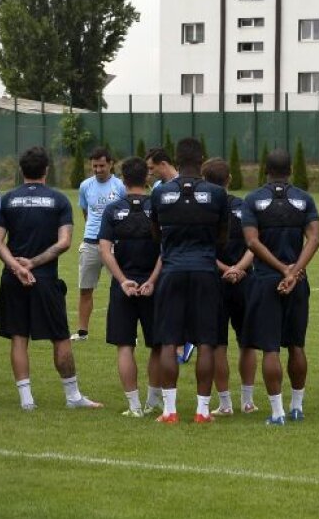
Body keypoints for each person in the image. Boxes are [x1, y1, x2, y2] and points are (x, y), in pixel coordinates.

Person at [0, 147, 101, 411]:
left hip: (14, 278)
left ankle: (26, 400)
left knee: (19, 337)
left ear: (21, 171)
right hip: (44, 279)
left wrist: (16, 267)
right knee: (60, 337)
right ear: (47, 170)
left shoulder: (7, 200)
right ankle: (73, 396)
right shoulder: (59, 200)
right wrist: (34, 263)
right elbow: (64, 242)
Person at [149, 137, 229, 424]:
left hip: (171, 270)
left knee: (169, 341)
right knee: (206, 341)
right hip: (206, 270)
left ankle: (170, 411)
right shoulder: (217, 194)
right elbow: (223, 235)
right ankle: (202, 411)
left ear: (176, 160)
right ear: (202, 158)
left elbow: (156, 233)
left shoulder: (160, 194)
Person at [240, 149, 319, 425]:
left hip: (265, 280)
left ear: (266, 169)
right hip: (297, 281)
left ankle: (277, 412)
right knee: (296, 345)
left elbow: (252, 242)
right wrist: (293, 271)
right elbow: (314, 238)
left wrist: (281, 269)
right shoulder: (304, 199)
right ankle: (297, 407)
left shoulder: (252, 200)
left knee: (270, 348)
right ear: (290, 170)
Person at [99, 157, 164, 417]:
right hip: (153, 285)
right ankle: (152, 400)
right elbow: (165, 250)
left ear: (122, 179)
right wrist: (152, 280)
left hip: (123, 286)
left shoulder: (113, 209)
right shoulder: (158, 207)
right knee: (157, 345)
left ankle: (134, 406)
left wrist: (122, 279)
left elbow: (104, 249)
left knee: (125, 345)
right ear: (146, 179)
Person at [201, 157, 258, 416]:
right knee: (247, 342)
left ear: (204, 180)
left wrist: (226, 270)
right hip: (246, 280)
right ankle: (247, 401)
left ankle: (225, 403)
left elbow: (201, 248)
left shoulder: (204, 210)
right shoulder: (244, 205)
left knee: (218, 346)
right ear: (230, 179)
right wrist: (240, 268)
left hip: (215, 281)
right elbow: (254, 245)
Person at [74, 147, 126, 341]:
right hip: (90, 242)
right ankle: (82, 332)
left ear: (110, 164)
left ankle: (125, 331)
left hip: (114, 243)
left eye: (101, 166)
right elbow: (86, 213)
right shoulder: (85, 186)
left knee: (121, 287)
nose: (97, 170)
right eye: (94, 166)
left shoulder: (120, 186)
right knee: (85, 289)